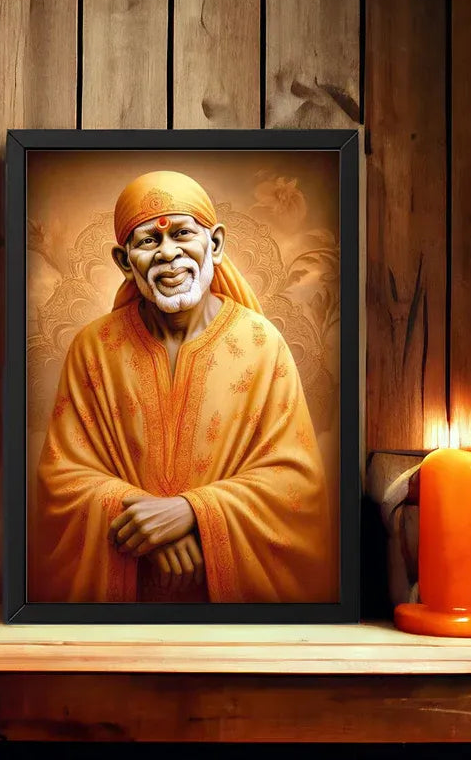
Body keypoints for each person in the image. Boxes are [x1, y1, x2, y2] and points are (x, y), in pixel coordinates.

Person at [32, 170, 330, 602]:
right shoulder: (94, 348)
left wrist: (193, 513)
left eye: (183, 234)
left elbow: (295, 485)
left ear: (216, 244)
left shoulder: (262, 345)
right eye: (148, 241)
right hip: (122, 615)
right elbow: (62, 480)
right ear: (123, 260)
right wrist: (153, 528)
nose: (168, 254)